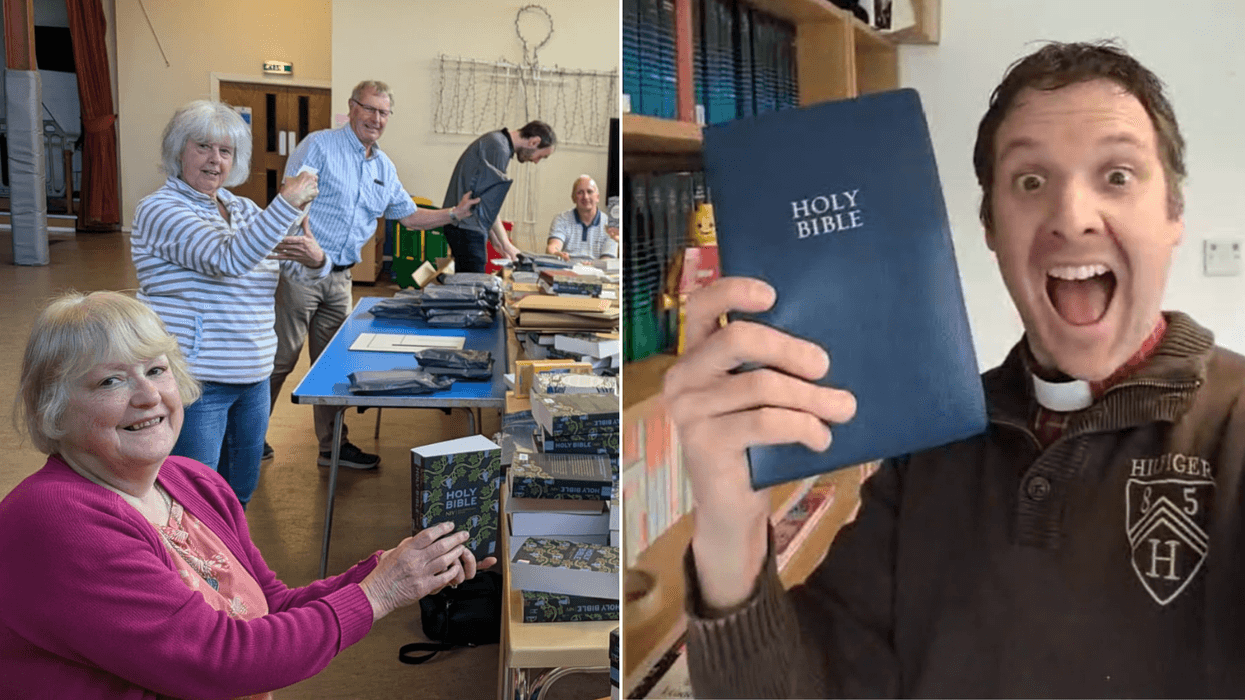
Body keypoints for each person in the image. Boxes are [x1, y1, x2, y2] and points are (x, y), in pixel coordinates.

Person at [664, 41, 1245, 697]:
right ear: (990, 227)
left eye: (1116, 176)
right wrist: (729, 530)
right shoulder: (931, 447)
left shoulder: (1234, 427)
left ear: (1173, 215)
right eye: (1030, 181)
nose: (1070, 218)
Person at [0, 290, 495, 697]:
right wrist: (381, 593)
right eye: (110, 380)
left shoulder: (191, 481)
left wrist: (397, 566)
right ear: (54, 409)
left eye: (155, 370)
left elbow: (271, 605)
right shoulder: (54, 518)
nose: (148, 396)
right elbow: (221, 658)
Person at [267, 80, 479, 470]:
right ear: (352, 108)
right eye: (369, 109)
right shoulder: (320, 146)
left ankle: (332, 448)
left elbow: (408, 215)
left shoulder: (383, 166)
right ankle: (250, 438)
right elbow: (291, 194)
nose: (376, 119)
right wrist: (300, 237)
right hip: (301, 271)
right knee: (282, 359)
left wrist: (453, 214)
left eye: (383, 113)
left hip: (340, 279)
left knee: (331, 363)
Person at [130, 100, 326, 508]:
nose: (215, 160)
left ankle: (227, 567)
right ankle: (189, 573)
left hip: (252, 373)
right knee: (192, 498)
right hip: (198, 379)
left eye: (226, 151)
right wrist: (287, 204)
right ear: (178, 150)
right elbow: (228, 258)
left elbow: (286, 273)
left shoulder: (243, 209)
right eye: (203, 147)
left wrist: (316, 261)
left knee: (238, 492)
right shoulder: (160, 210)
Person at [442, 120, 558, 272]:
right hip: (465, 227)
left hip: (466, 226)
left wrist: (498, 242)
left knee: (471, 284)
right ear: (534, 142)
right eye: (540, 156)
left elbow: (483, 203)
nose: (535, 161)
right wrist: (506, 243)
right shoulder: (498, 147)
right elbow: (484, 203)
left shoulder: (498, 143)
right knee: (472, 287)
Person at [546, 175, 619, 260]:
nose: (585, 197)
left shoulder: (610, 224)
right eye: (580, 192)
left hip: (597, 270)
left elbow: (607, 259)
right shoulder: (561, 219)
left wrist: (591, 267)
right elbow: (553, 246)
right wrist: (556, 253)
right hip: (567, 269)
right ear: (573, 198)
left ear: (597, 197)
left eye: (589, 191)